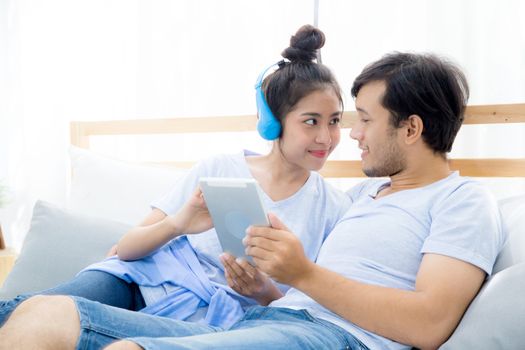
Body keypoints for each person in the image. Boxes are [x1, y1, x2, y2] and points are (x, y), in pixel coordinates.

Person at [0, 53, 505, 349]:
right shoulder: (366, 195)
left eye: (364, 120)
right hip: (265, 320)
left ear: (411, 128)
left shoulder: (464, 201)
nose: (350, 136)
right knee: (46, 314)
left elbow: (431, 323)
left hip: (328, 339)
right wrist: (268, 289)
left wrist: (302, 274)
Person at [0, 24, 350, 331]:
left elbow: (308, 311)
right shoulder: (218, 168)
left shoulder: (334, 208)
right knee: (28, 311)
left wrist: (263, 291)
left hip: (201, 320)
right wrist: (179, 223)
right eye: (311, 121)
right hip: (137, 280)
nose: (326, 137)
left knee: (59, 329)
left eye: (334, 120)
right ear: (273, 121)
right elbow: (126, 249)